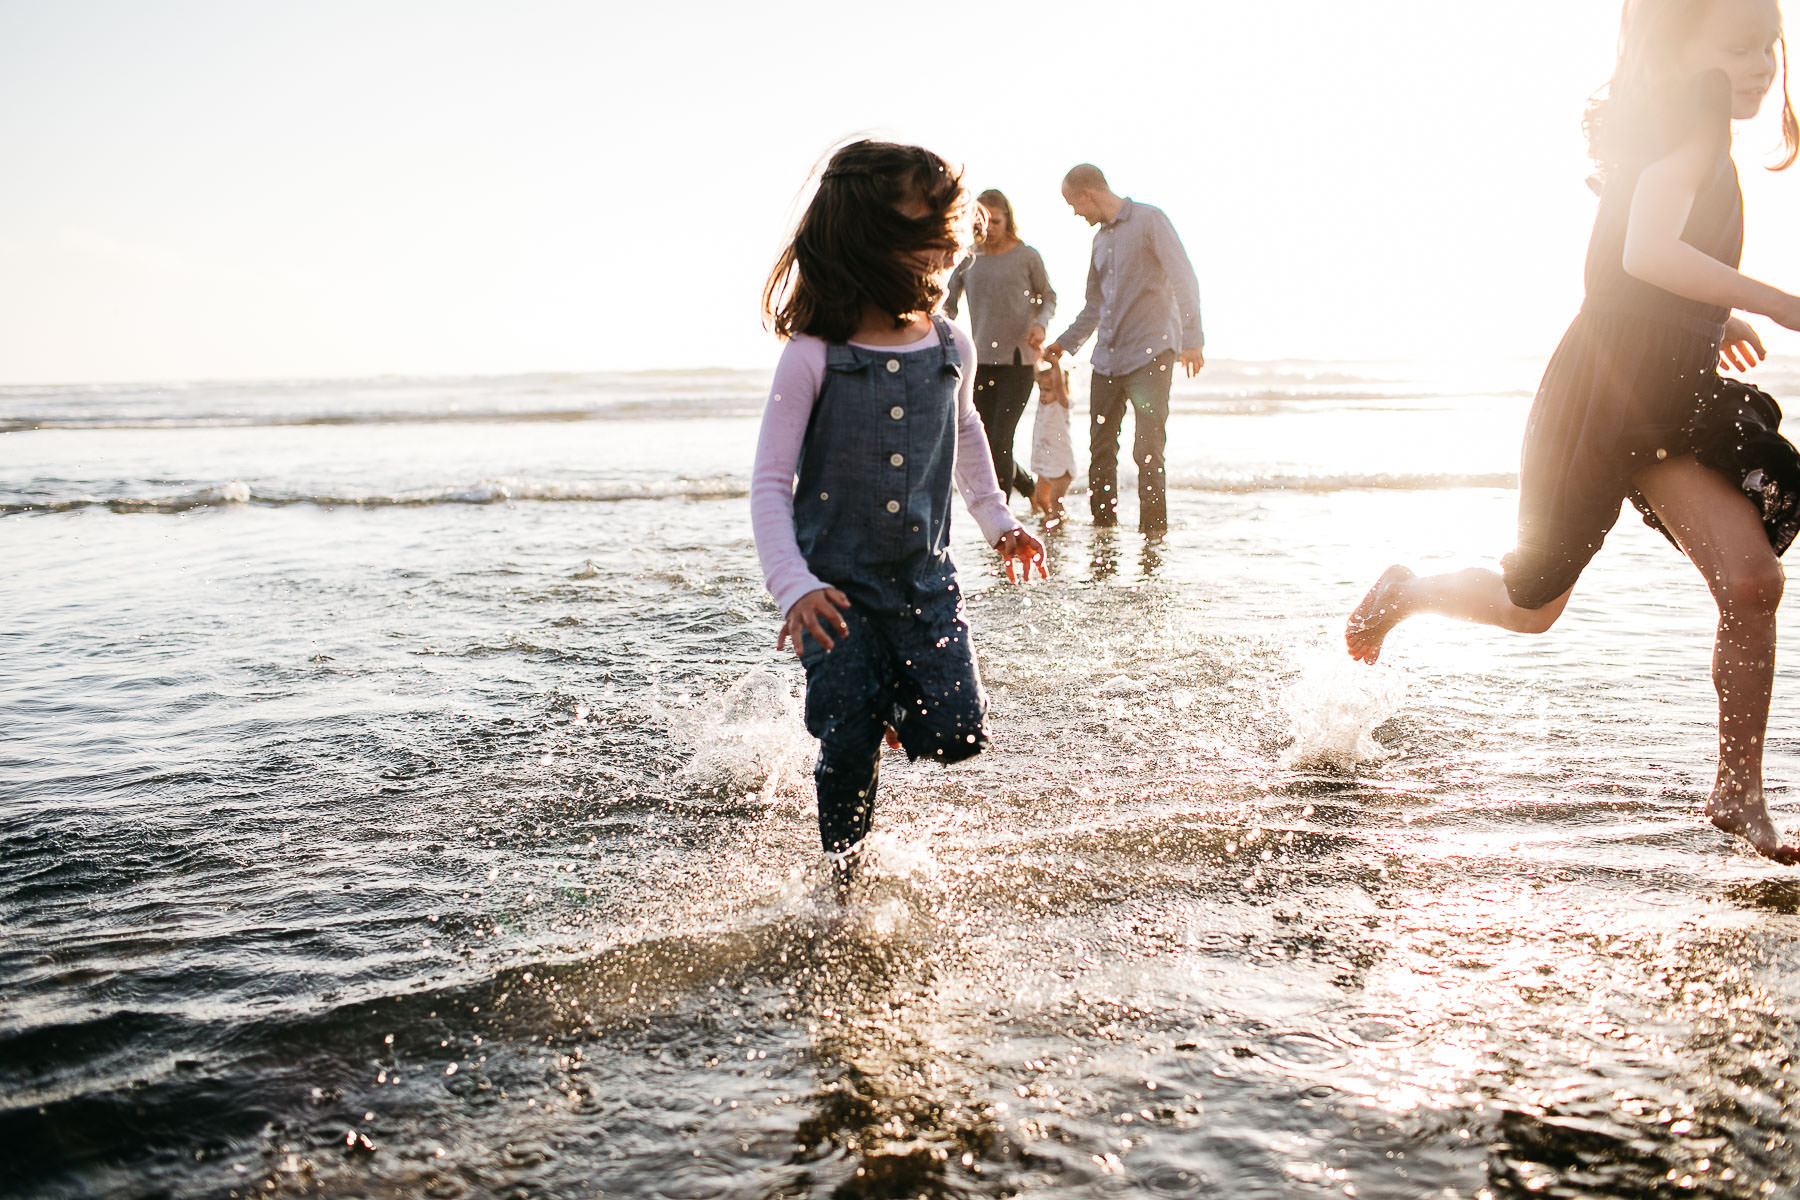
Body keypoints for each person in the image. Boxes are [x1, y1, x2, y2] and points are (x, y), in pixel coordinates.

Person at [1346, 0, 1800, 864]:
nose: (1760, 66)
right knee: (1532, 604)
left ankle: (1737, 791)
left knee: (1750, 583)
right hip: (1610, 396)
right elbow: (1643, 252)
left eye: (1769, 48)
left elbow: (1649, 263)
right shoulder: (1695, 118)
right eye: (1738, 45)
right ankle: (1409, 588)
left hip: (1655, 388)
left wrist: (1719, 309)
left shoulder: (1681, 128)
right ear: (1683, 45)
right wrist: (1775, 300)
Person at [753, 140, 1048, 872]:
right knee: (847, 744)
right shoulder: (814, 353)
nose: (943, 261)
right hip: (835, 595)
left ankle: (880, 697)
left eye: (947, 246)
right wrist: (794, 587)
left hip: (924, 582)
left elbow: (969, 430)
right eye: (927, 245)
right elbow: (768, 484)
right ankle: (841, 880)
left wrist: (1000, 523)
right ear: (867, 242)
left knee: (956, 733)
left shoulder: (951, 343)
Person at [1044, 164, 1205, 538]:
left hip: (1151, 353)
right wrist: (1064, 344)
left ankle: (1153, 534)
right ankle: (1105, 534)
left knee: (1147, 449)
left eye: (1074, 204)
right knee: (1100, 448)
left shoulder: (1151, 221)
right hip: (1107, 359)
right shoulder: (1099, 242)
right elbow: (1094, 306)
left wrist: (1192, 338)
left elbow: (1184, 277)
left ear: (1088, 194)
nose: (1076, 213)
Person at [945, 189, 1057, 502]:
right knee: (986, 443)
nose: (990, 227)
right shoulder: (967, 257)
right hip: (979, 363)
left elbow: (1048, 296)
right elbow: (947, 304)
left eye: (996, 220)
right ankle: (1031, 490)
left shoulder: (1026, 255)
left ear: (1008, 219)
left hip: (1018, 363)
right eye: (984, 220)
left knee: (1000, 441)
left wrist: (1040, 324)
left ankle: (1003, 524)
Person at [1029, 360, 1075, 526]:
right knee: (1041, 498)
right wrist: (1036, 350)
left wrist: (1055, 365)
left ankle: (1058, 520)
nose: (1042, 393)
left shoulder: (1061, 404)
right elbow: (1036, 372)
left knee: (1056, 500)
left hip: (1060, 464)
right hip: (1045, 462)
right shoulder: (1043, 405)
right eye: (1041, 389)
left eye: (1047, 390)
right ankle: (1052, 517)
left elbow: (1059, 385)